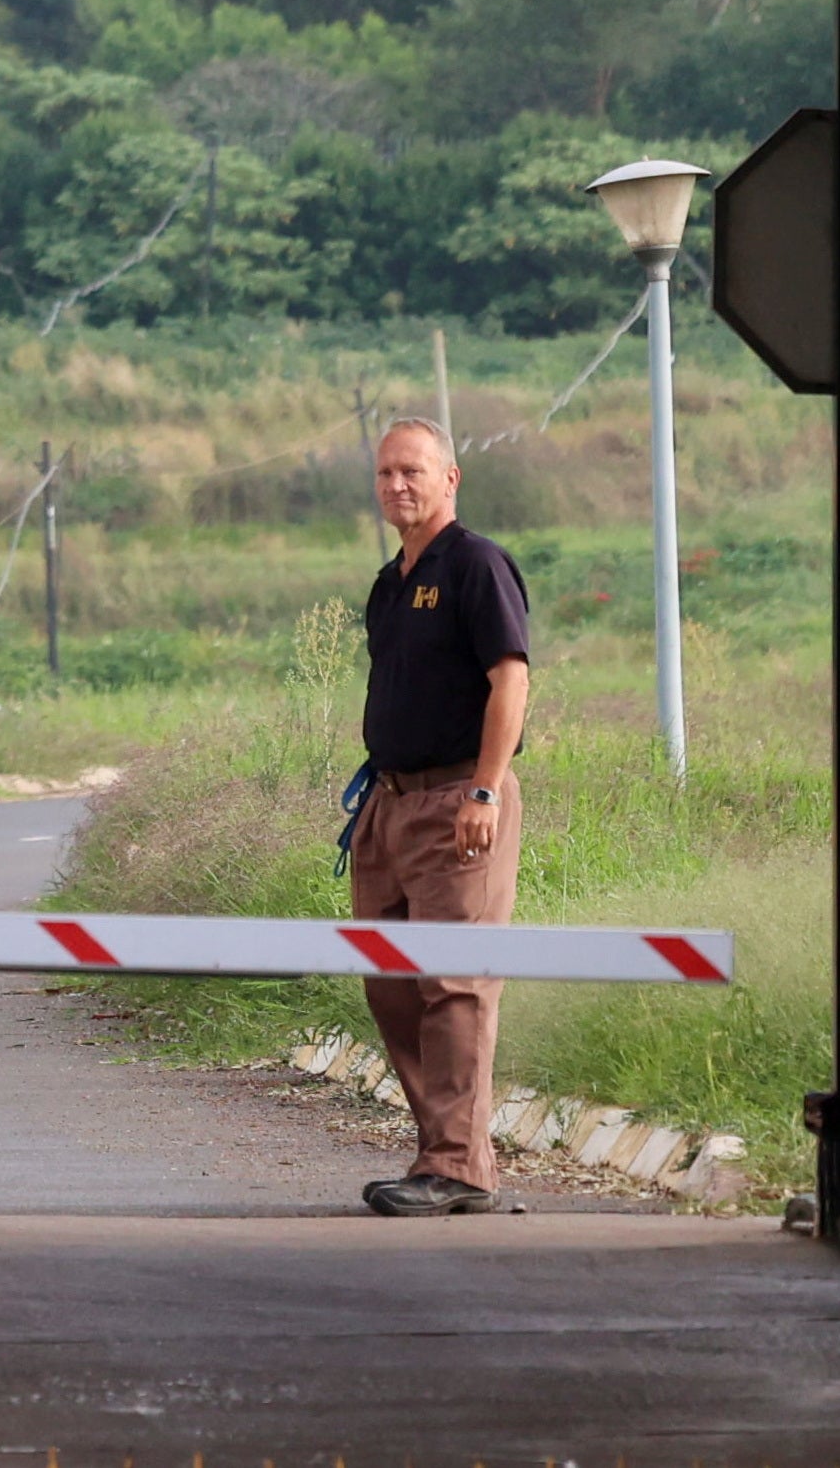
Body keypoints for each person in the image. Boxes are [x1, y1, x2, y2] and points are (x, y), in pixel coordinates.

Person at [350, 416, 534, 1216]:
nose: (399, 485)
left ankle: (458, 1166)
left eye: (414, 471)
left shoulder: (476, 564)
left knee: (454, 982)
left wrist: (485, 790)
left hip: (459, 801)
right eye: (387, 472)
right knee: (391, 981)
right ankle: (443, 1150)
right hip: (388, 806)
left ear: (450, 477)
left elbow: (510, 680)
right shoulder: (391, 581)